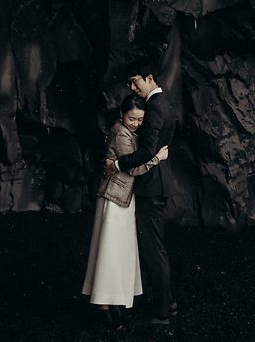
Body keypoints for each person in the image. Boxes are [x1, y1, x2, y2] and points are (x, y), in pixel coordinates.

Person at [82, 95, 170, 327]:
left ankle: (109, 302)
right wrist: (157, 158)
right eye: (132, 118)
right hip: (114, 198)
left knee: (115, 249)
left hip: (121, 197)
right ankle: (103, 305)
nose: (135, 124)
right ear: (122, 114)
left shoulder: (127, 131)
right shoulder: (120, 132)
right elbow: (133, 169)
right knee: (110, 249)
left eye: (140, 120)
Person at [106, 60, 178, 327]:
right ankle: (168, 302)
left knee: (153, 251)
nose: (133, 88)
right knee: (155, 247)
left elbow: (148, 150)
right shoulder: (165, 103)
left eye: (135, 82)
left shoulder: (155, 106)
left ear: (149, 77)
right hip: (159, 181)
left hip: (151, 185)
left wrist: (117, 164)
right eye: (130, 84)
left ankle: (162, 313)